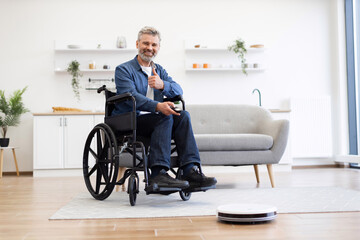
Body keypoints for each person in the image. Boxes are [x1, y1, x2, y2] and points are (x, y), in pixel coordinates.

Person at [113, 26, 216, 191]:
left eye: (154, 45)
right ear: (137, 44)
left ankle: (190, 171)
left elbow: (178, 89)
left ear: (158, 48)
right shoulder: (124, 70)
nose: (149, 48)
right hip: (131, 120)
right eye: (146, 43)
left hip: (158, 119)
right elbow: (130, 96)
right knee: (164, 115)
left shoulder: (159, 70)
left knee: (183, 115)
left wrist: (163, 85)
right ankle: (158, 173)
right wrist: (157, 106)